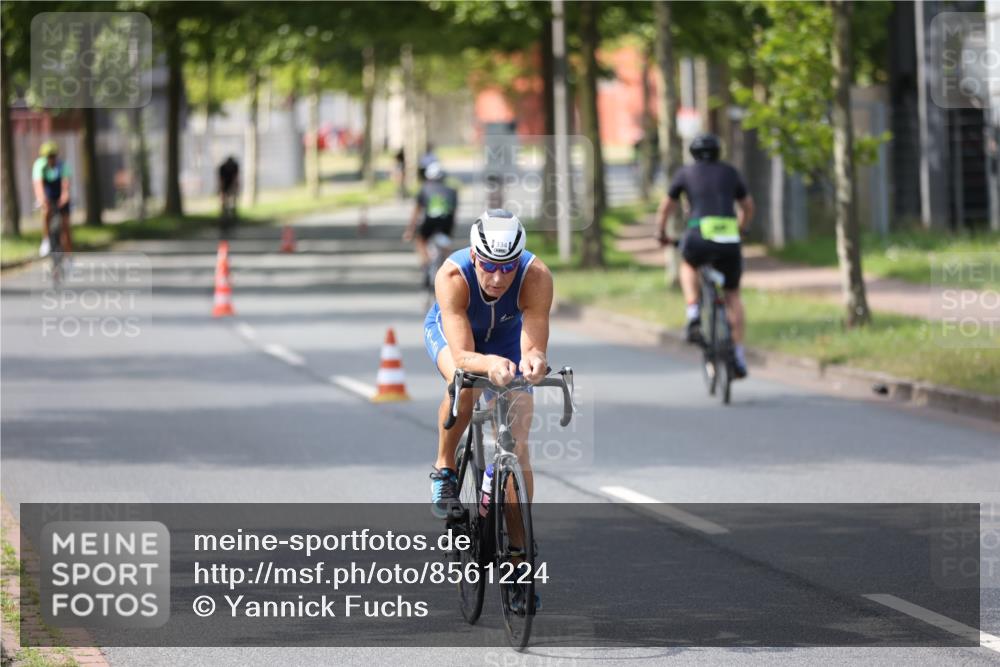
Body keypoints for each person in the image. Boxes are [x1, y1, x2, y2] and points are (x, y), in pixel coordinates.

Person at [423, 209, 552, 514]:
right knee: (464, 384)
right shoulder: (452, 275)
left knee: (518, 446)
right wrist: (489, 364)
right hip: (456, 338)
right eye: (489, 265)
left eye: (508, 266)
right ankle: (445, 468)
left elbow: (533, 347)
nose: (497, 277)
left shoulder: (536, 276)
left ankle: (519, 553)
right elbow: (463, 356)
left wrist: (534, 361)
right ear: (473, 255)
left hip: (505, 338)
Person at [655, 133, 755, 378]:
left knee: (688, 263)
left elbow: (666, 207)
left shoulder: (685, 173)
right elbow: (749, 206)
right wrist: (741, 229)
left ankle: (693, 312)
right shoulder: (731, 173)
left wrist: (660, 233)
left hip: (698, 234)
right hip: (729, 239)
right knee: (732, 295)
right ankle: (738, 357)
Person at [403, 162, 458, 286]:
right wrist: (450, 233)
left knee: (420, 240)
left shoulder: (424, 189)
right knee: (446, 246)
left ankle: (425, 264)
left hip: (430, 221)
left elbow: (416, 212)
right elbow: (454, 213)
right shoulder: (452, 191)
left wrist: (410, 230)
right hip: (446, 222)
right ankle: (448, 270)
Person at [32, 141, 73, 256]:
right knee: (45, 212)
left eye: (53, 156)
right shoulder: (39, 165)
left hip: (60, 194)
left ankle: (69, 258)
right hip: (48, 194)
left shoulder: (63, 165)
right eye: (48, 157)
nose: (51, 159)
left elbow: (65, 185)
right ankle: (46, 240)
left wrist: (65, 196)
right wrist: (42, 199)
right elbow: (38, 185)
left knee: (65, 227)